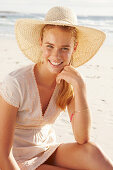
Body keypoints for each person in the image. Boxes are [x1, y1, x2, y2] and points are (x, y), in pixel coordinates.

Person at [0, 6, 113, 170]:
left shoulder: (70, 81)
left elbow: (82, 138)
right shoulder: (16, 83)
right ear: (40, 43)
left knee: (92, 152)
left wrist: (80, 87)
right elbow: (3, 154)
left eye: (65, 48)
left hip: (45, 149)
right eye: (50, 46)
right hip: (12, 156)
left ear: (74, 48)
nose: (56, 55)